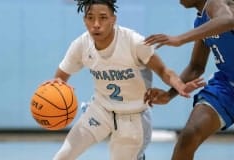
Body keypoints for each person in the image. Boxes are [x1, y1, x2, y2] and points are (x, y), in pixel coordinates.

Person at [51, 0, 204, 160]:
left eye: (103, 18)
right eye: (90, 18)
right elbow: (60, 77)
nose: (96, 24)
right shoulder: (82, 44)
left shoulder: (134, 42)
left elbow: (163, 70)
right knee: (64, 155)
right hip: (100, 110)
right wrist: (55, 93)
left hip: (133, 117)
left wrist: (179, 85)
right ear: (84, 20)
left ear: (113, 19)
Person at [144, 0, 234, 160]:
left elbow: (228, 20)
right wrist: (169, 95)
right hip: (227, 86)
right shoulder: (201, 21)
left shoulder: (217, 2)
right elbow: (196, 67)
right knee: (189, 136)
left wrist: (179, 39)